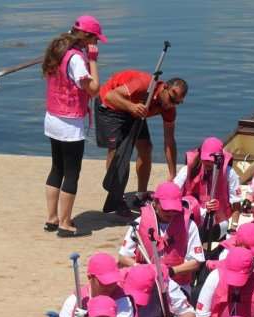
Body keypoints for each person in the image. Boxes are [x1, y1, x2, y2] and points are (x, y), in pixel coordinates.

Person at [43, 15, 106, 237]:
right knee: (71, 172)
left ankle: (52, 218)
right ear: (86, 37)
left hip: (53, 116)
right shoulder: (77, 59)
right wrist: (93, 60)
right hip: (69, 122)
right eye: (95, 39)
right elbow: (94, 89)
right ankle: (65, 223)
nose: (96, 43)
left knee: (57, 168)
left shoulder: (58, 49)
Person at [95, 71, 188, 214]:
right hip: (111, 106)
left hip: (135, 110)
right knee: (117, 151)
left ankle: (141, 195)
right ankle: (117, 195)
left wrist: (172, 173)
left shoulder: (169, 109)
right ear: (165, 87)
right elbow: (110, 96)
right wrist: (132, 107)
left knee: (146, 147)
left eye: (177, 103)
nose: (171, 105)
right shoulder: (144, 85)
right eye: (171, 99)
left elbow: (169, 140)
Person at [118, 182, 205, 292]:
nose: (171, 213)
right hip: (145, 282)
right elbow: (123, 257)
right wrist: (142, 269)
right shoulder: (138, 223)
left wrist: (171, 271)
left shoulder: (189, 225)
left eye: (174, 209)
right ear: (155, 203)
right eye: (166, 209)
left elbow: (196, 261)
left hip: (177, 285)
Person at [56, 252, 135, 317]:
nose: (110, 286)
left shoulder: (123, 301)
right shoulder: (74, 301)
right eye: (105, 282)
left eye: (113, 281)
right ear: (90, 278)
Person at [174, 136, 242, 239]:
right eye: (205, 159)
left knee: (205, 234)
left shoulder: (229, 173)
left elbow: (236, 203)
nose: (208, 163)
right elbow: (173, 191)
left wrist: (233, 228)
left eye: (211, 160)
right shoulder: (188, 169)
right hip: (193, 216)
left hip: (218, 220)